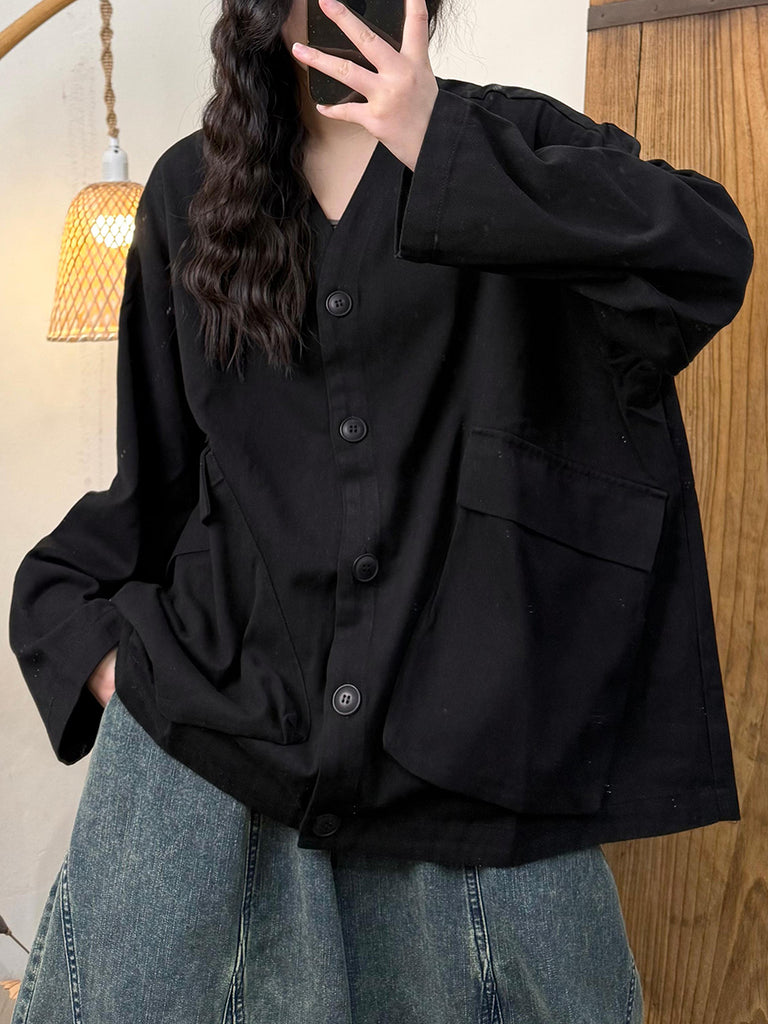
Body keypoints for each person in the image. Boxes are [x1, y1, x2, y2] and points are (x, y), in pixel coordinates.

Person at [8, 0, 753, 1021]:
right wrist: (110, 669)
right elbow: (155, 489)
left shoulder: (517, 141)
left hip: (481, 792)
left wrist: (440, 145)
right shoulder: (188, 191)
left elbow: (707, 253)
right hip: (218, 775)